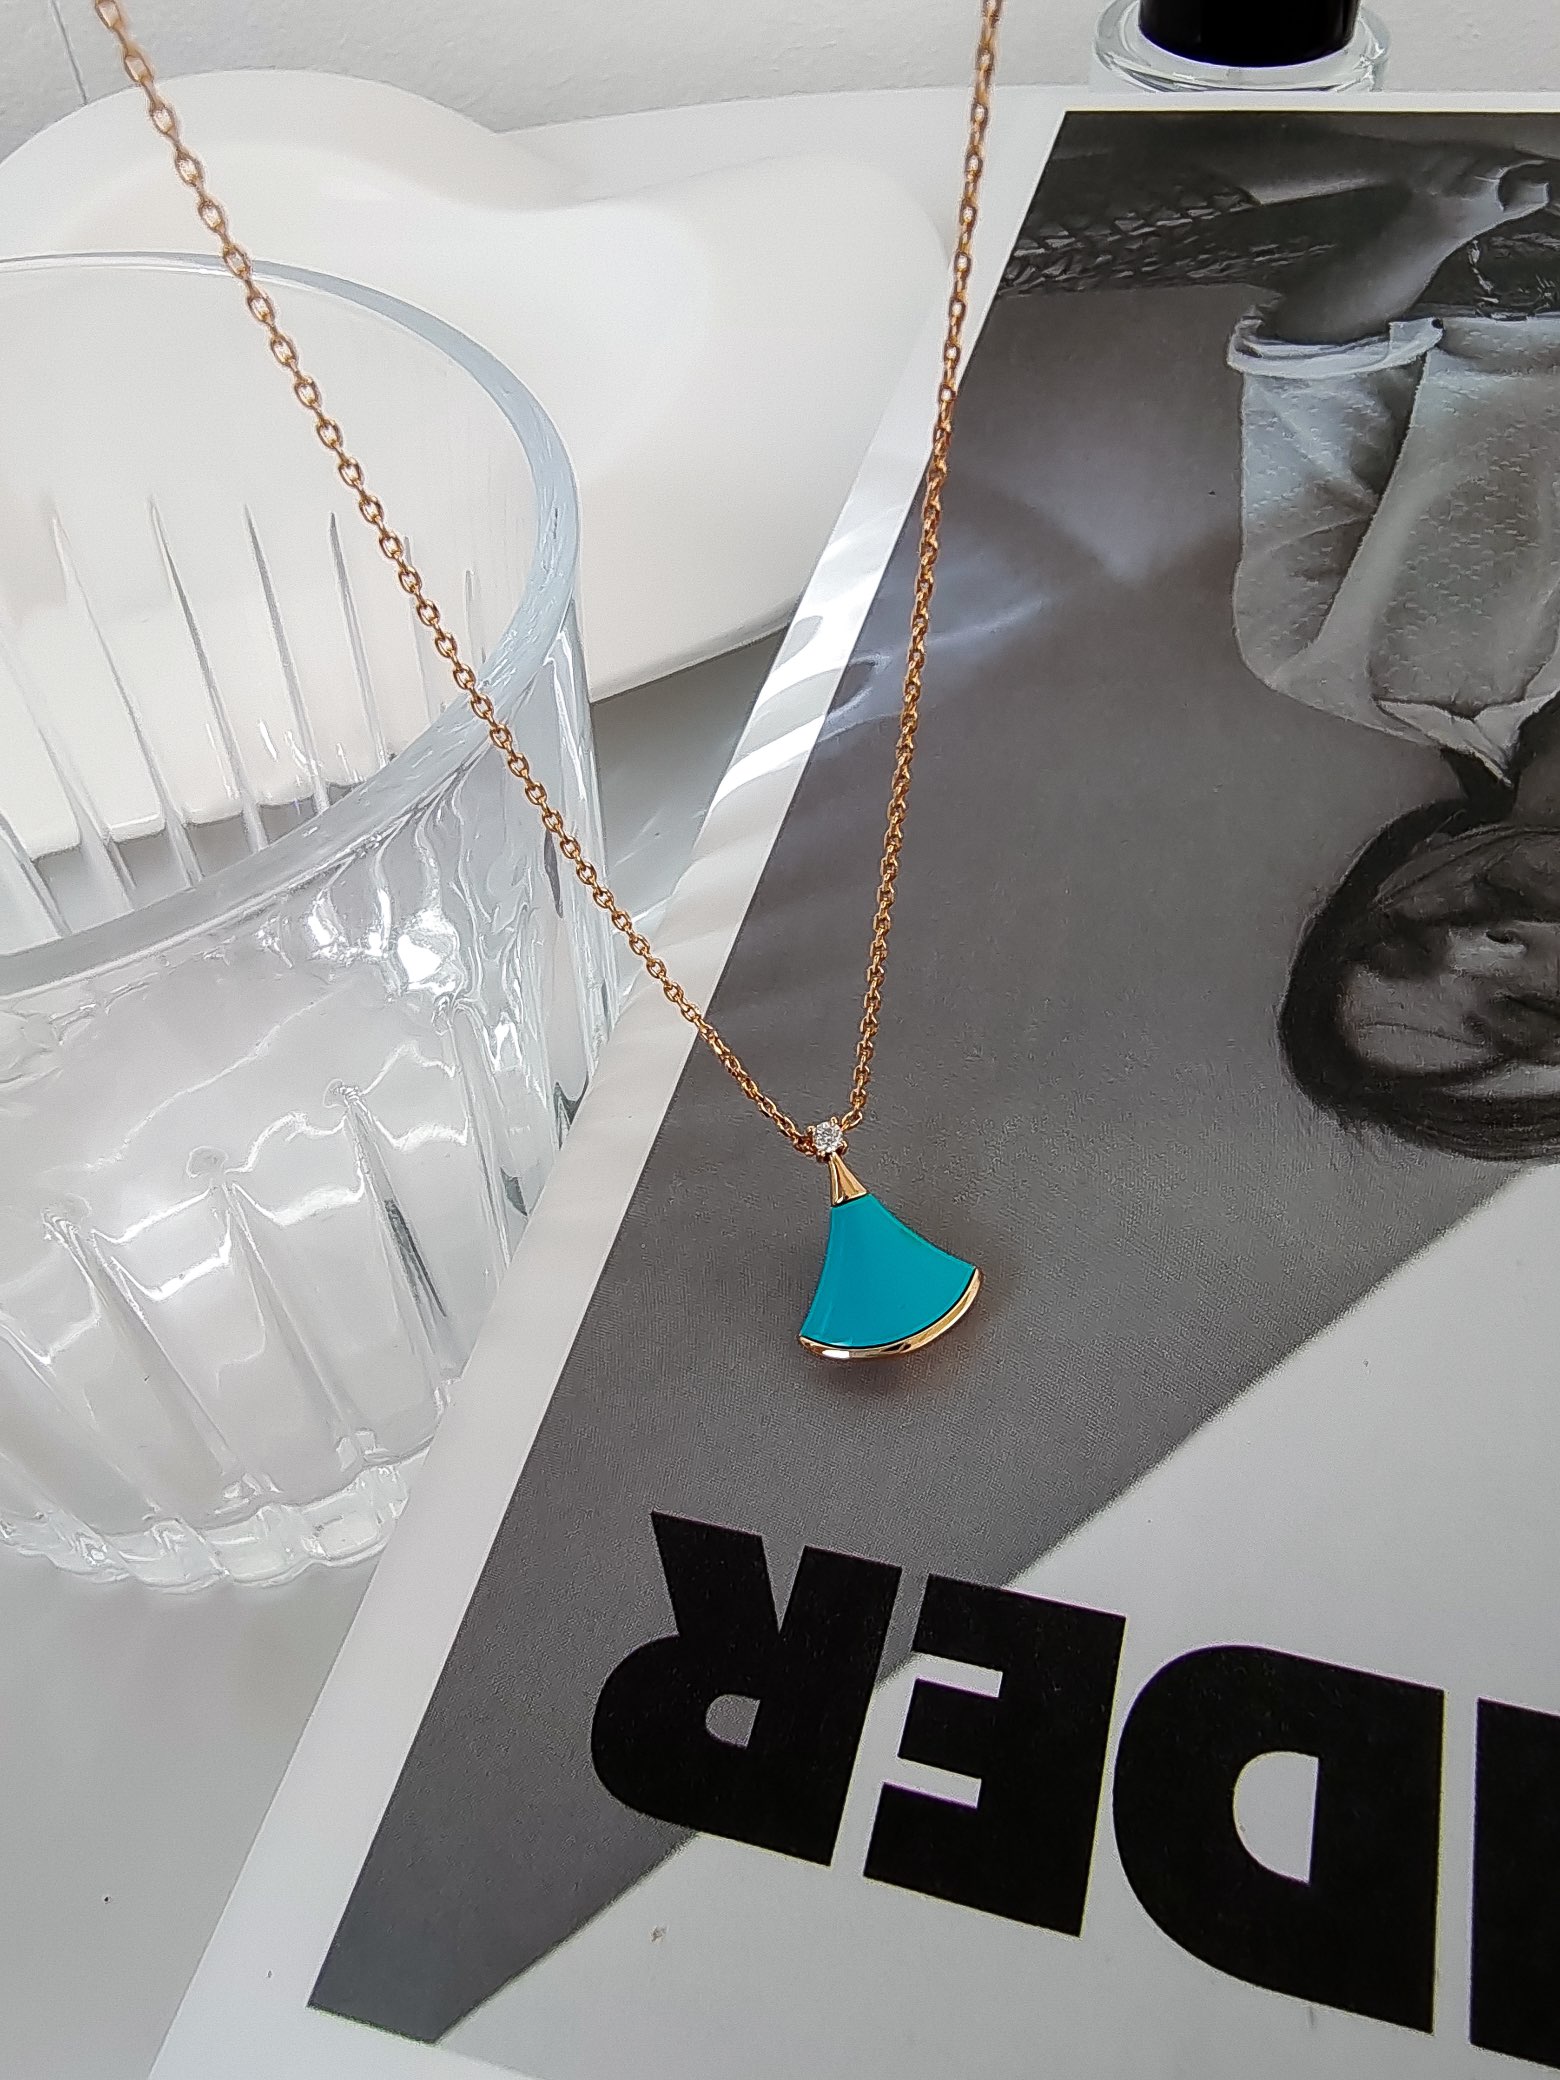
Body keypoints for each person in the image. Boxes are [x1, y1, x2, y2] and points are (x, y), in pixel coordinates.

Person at [1224, 145, 1560, 1158]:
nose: (1476, 944)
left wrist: (1436, 223)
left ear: (1386, 887)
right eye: (1532, 1011)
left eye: (1402, 943)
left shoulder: (1321, 655)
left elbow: (1312, 362)